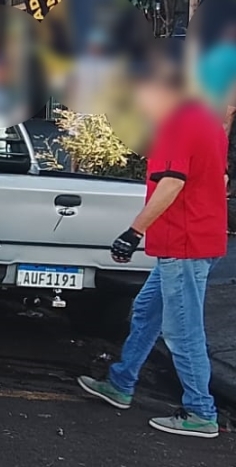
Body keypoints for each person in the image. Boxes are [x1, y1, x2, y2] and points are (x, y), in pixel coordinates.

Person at [78, 43, 229, 437]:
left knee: (182, 330)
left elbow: (171, 185)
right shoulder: (207, 121)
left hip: (182, 244)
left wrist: (133, 232)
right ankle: (121, 382)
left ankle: (200, 411)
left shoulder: (176, 125)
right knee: (148, 313)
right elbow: (215, 180)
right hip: (194, 242)